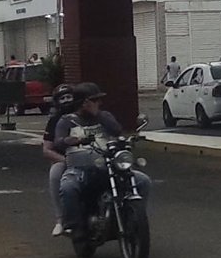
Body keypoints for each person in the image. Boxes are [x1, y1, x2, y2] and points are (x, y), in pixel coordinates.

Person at [50, 83, 151, 238]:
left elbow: (117, 131)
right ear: (84, 103)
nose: (99, 103)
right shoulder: (67, 121)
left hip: (109, 166)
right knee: (68, 187)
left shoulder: (105, 116)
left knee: (143, 181)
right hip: (79, 168)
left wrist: (97, 114)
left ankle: (134, 218)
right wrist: (69, 141)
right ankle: (73, 225)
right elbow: (58, 142)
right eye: (95, 100)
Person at [40, 84, 78, 234]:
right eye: (62, 98)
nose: (67, 100)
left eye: (69, 97)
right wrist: (64, 160)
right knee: (55, 174)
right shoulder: (55, 121)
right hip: (66, 159)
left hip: (89, 156)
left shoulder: (85, 114)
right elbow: (47, 150)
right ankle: (60, 219)